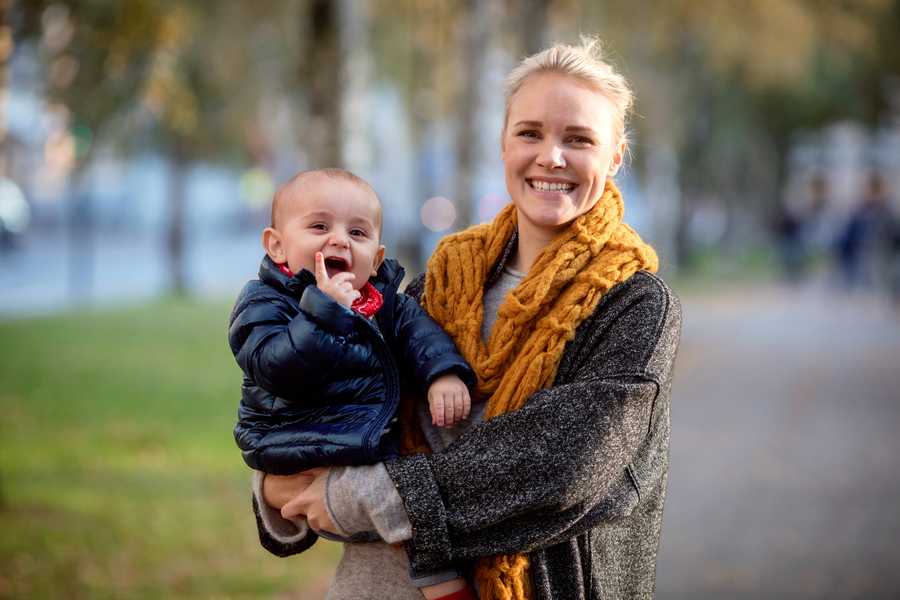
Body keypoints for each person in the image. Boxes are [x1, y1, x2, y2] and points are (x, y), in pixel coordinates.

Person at [256, 38, 682, 600]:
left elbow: (563, 463)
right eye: (530, 132)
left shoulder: (634, 304)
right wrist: (274, 476)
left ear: (615, 157)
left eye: (578, 139)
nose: (551, 157)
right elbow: (349, 389)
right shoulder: (444, 277)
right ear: (503, 144)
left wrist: (365, 496)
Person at [228, 168, 478, 599]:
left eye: (357, 232)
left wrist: (443, 374)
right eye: (320, 227)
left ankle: (442, 584)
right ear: (277, 244)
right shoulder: (265, 302)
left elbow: (420, 336)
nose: (340, 240)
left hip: (359, 442)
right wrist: (324, 311)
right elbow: (275, 367)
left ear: (377, 258)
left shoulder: (383, 304)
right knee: (404, 509)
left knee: (410, 513)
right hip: (292, 436)